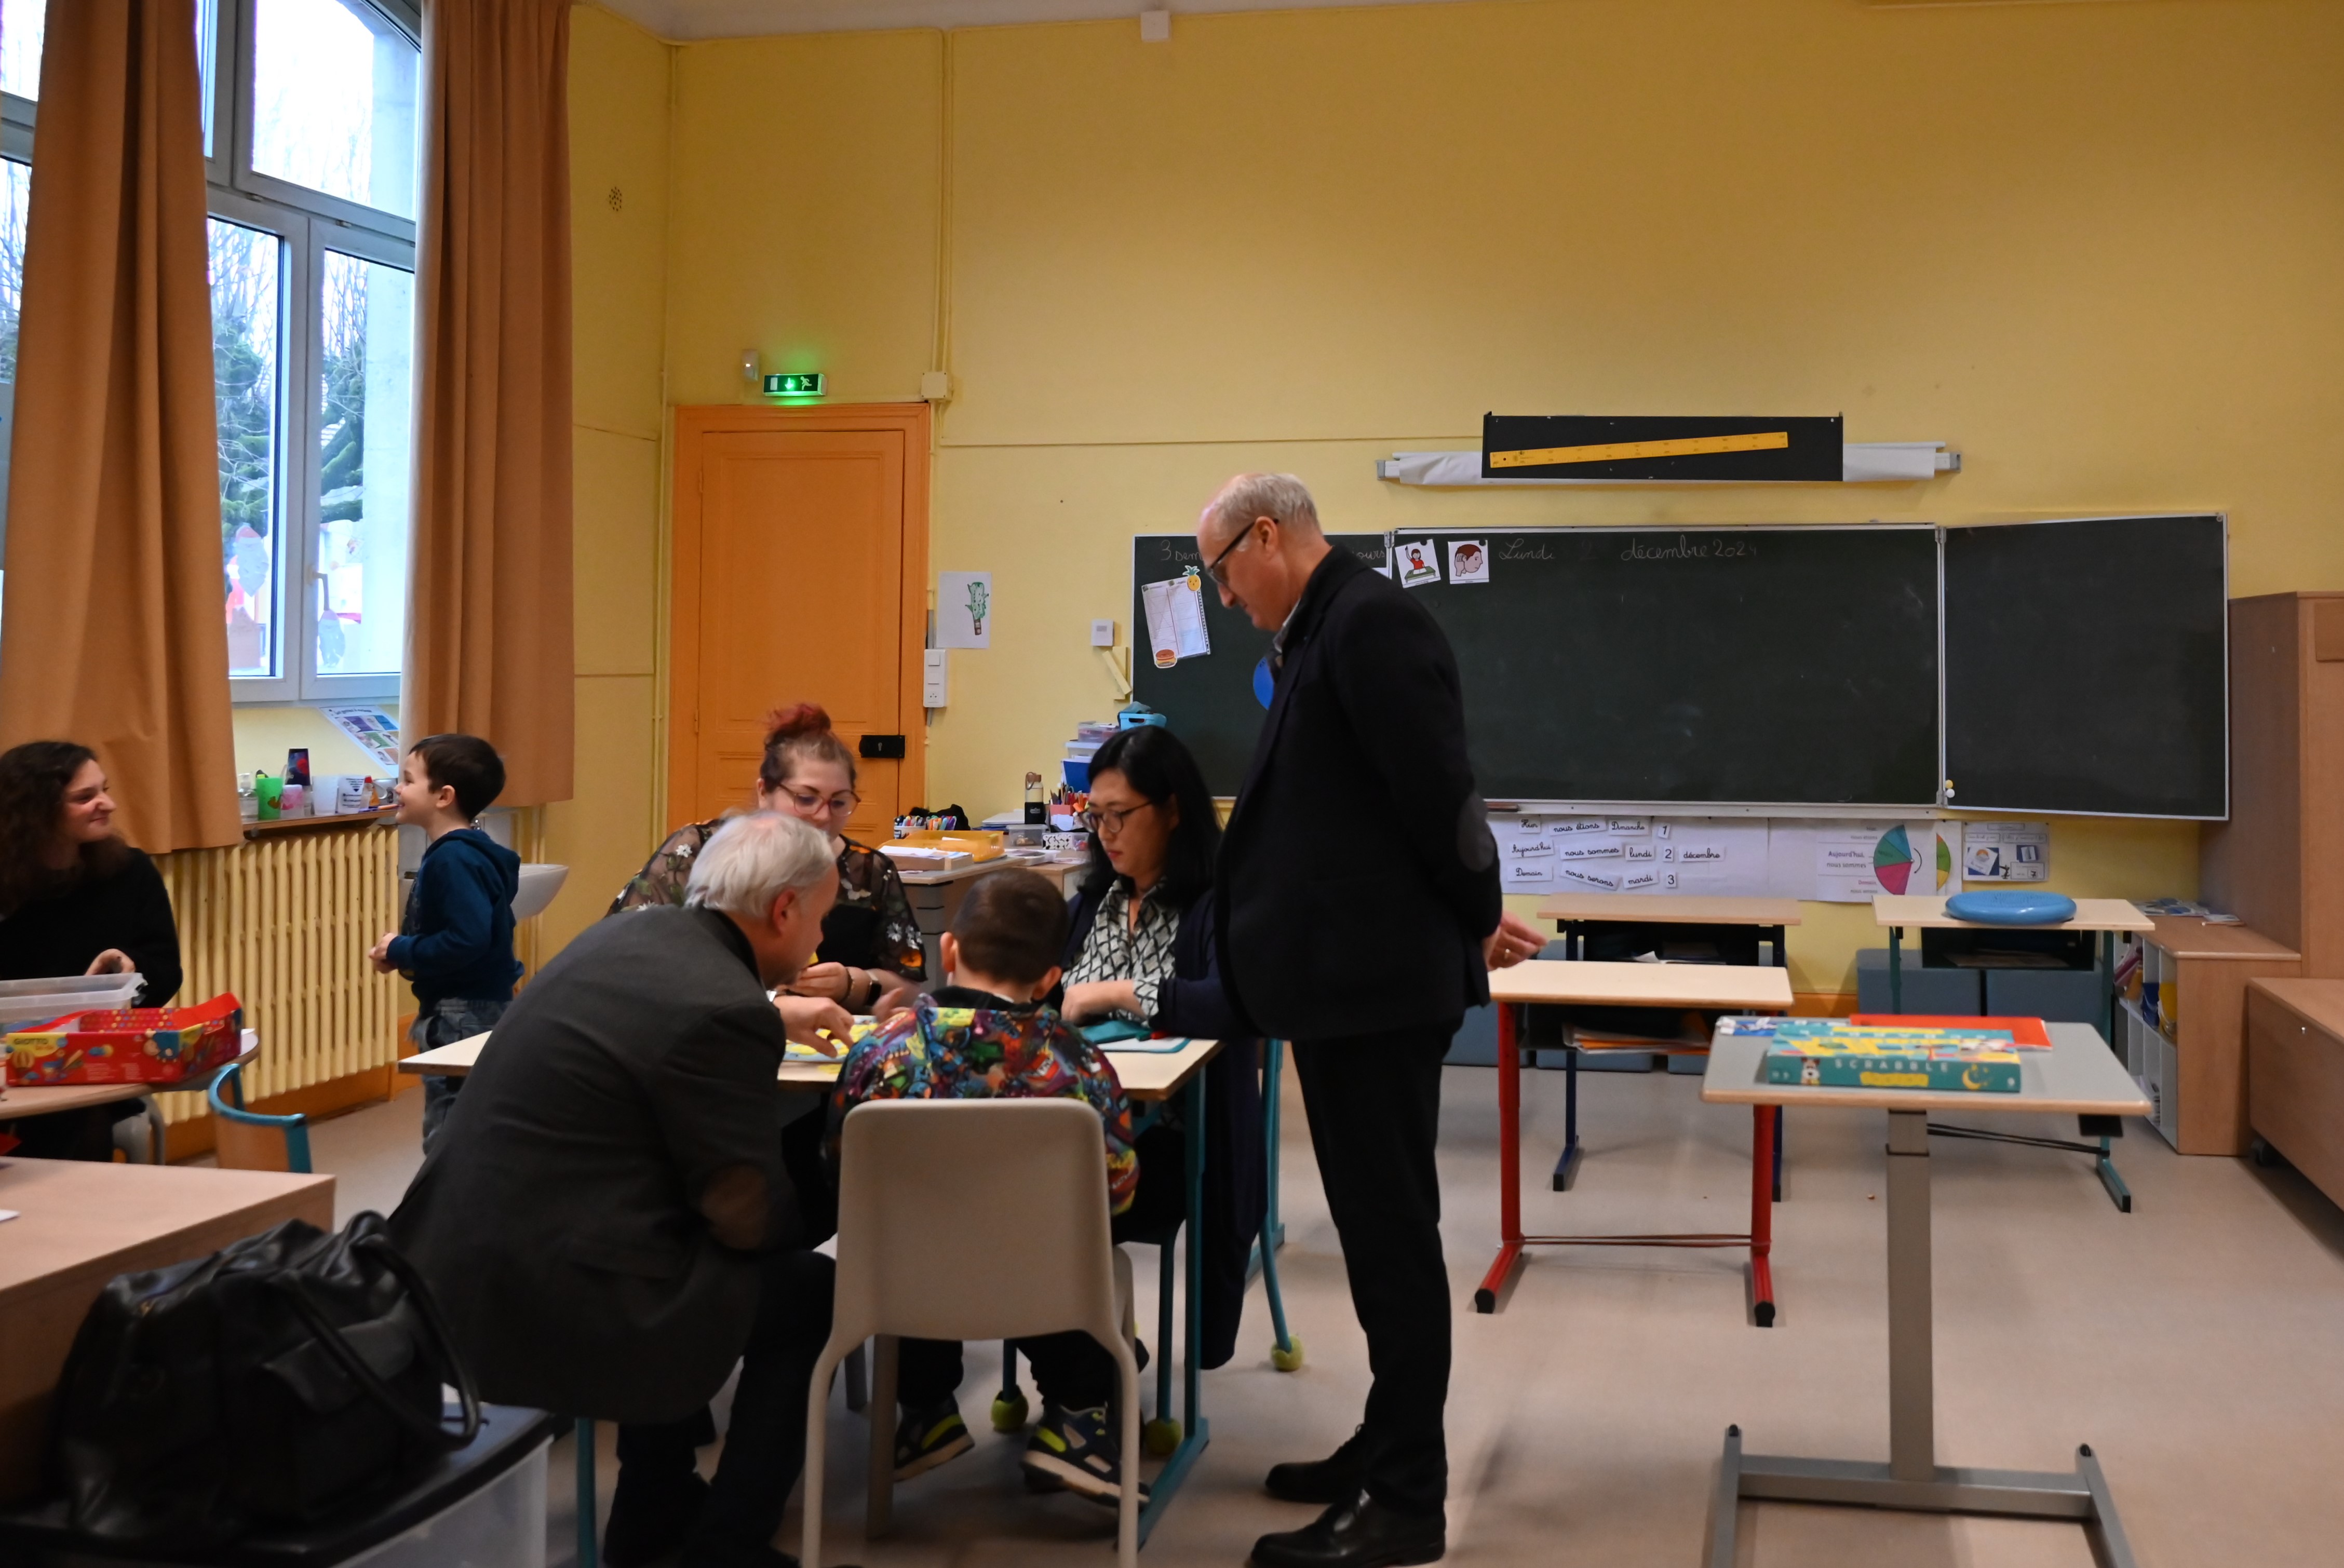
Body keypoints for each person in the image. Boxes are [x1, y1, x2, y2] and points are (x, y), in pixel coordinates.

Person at [1198, 473, 1544, 1568]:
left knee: (1391, 1239)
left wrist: (1472, 920)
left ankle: (1404, 1500)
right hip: (1346, 986)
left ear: (1265, 536)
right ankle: (1384, 1442)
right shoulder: (1321, 630)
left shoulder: (1371, 620)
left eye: (1221, 572)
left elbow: (1439, 794)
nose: (1222, 597)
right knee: (1369, 1233)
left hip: (1377, 995)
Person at [390, 813, 855, 1568]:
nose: (820, 944)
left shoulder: (622, 937)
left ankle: (656, 1506)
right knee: (809, 1294)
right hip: (547, 1283)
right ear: (783, 910)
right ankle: (725, 1548)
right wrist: (839, 1198)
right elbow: (740, 1212)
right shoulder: (728, 1010)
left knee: (675, 1251)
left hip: (446, 1256)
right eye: (822, 919)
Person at [831, 869, 1161, 1506]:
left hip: (906, 1286)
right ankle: (1076, 1419)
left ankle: (925, 1411)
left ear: (948, 950)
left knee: (921, 1229)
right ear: (1049, 979)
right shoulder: (1080, 1063)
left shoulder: (881, 1053)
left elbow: (840, 1172)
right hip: (1046, 1286)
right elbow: (1117, 1195)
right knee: (1077, 1244)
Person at [1055, 723, 1267, 1379]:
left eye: (1120, 815)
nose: (1105, 833)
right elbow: (1052, 996)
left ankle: (1088, 1371)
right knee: (1012, 1189)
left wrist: (1117, 991)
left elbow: (1232, 1003)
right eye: (1096, 816)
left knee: (1064, 1203)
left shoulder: (1214, 901)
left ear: (1173, 810)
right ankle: (1092, 1359)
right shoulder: (1094, 898)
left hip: (1176, 1140)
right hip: (1080, 1124)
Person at [613, 702, 925, 1015]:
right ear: (765, 792)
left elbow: (908, 983)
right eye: (806, 799)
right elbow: (630, 952)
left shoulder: (871, 870)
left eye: (839, 802)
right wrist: (772, 1006)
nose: (822, 816)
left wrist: (853, 983)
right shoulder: (699, 850)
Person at [0, 741, 183, 1161]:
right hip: (9, 1055)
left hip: (91, 1061)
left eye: (103, 790)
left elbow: (167, 970)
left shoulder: (130, 873)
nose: (108, 804)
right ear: (36, 811)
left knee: (74, 1118)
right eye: (86, 798)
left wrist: (129, 972)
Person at [367, 734, 521, 1151]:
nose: (397, 789)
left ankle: (446, 1210)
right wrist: (400, 951)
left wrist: (400, 950)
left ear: (444, 796)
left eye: (408, 780)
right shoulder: (466, 852)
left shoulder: (453, 860)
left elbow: (465, 940)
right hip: (469, 1007)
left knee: (451, 1133)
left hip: (461, 1014)